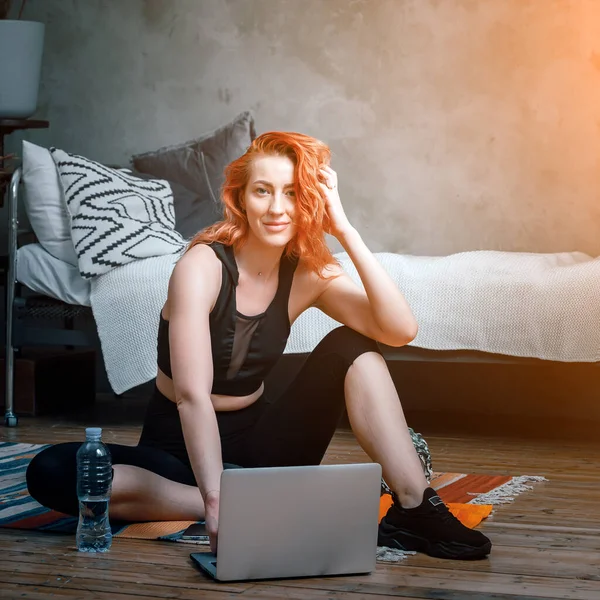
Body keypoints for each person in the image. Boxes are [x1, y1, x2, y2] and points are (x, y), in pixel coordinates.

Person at [26, 131, 491, 560]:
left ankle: (414, 509)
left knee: (354, 345)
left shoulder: (307, 271)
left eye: (292, 192)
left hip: (264, 444)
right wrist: (214, 501)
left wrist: (346, 230)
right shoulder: (202, 266)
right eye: (263, 190)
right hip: (179, 452)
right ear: (240, 199)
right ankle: (270, 497)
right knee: (52, 471)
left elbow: (399, 330)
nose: (277, 208)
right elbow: (191, 398)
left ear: (310, 199)